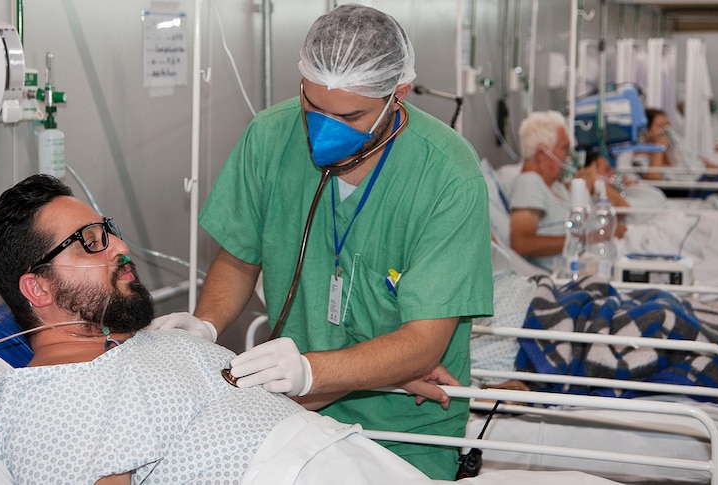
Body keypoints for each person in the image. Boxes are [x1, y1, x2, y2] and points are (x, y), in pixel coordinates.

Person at [182, 4, 493, 479]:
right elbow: (239, 258)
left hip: (405, 428)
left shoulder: (447, 175)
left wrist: (315, 373)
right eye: (312, 106)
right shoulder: (269, 137)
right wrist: (203, 329)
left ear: (398, 95)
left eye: (349, 115)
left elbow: (422, 345)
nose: (323, 127)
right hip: (290, 414)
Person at [0, 174, 440, 485]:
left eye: (108, 230)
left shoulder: (156, 341)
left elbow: (259, 410)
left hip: (349, 461)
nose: (118, 245)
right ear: (37, 288)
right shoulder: (45, 398)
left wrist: (376, 371)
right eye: (90, 242)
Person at [508, 111, 627, 273]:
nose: (569, 156)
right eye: (564, 148)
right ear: (543, 154)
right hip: (575, 269)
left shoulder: (554, 185)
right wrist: (589, 237)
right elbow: (521, 243)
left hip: (598, 258)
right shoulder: (529, 182)